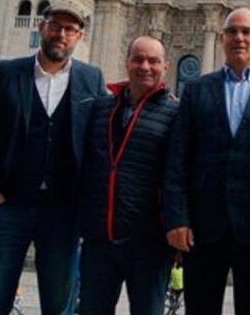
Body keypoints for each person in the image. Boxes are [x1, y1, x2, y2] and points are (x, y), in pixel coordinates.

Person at [163, 7, 250, 315]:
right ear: (222, 37)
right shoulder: (197, 90)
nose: (239, 37)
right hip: (203, 227)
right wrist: (177, 218)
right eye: (233, 31)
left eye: (247, 32)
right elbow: (178, 160)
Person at [0, 4, 107, 315]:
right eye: (55, 26)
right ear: (41, 28)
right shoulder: (6, 72)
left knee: (59, 303)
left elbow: (99, 142)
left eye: (70, 29)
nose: (61, 34)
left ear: (80, 37)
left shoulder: (92, 79)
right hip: (8, 205)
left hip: (63, 212)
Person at [77, 35, 178, 315]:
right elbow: (85, 166)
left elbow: (179, 178)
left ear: (165, 67)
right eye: (138, 59)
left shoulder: (176, 114)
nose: (145, 66)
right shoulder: (100, 108)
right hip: (100, 239)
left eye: (153, 61)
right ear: (127, 62)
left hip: (151, 243)